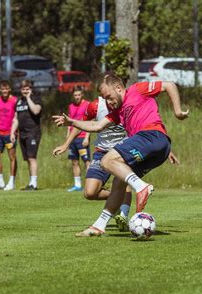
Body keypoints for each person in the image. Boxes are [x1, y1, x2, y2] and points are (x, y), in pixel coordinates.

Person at [53, 75, 188, 236]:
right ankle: (99, 226)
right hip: (156, 148)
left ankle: (141, 187)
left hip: (151, 135)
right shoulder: (118, 112)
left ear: (118, 88)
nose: (108, 102)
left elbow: (169, 85)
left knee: (107, 160)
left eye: (109, 97)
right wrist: (73, 122)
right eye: (104, 99)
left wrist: (178, 112)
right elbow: (96, 126)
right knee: (119, 180)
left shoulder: (137, 89)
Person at [53, 96, 132, 230]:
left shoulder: (128, 103)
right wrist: (66, 144)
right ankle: (118, 199)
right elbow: (80, 125)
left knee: (123, 182)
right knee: (89, 193)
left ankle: (123, 216)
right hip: (102, 152)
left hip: (123, 151)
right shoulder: (95, 106)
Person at [0, 81, 18, 191]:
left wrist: (14, 132)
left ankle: (11, 182)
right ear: (0, 90)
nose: (4, 91)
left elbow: (16, 117)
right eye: (2, 89)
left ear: (9, 89)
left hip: (10, 133)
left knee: (12, 157)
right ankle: (0, 181)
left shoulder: (15, 100)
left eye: (6, 89)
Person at [15, 80, 42, 190]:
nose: (25, 91)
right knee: (27, 159)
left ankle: (34, 184)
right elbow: (16, 119)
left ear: (31, 90)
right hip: (22, 133)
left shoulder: (36, 99)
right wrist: (13, 132)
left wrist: (28, 98)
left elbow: (36, 111)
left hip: (33, 133)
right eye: (23, 89)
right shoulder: (18, 101)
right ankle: (31, 182)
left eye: (27, 89)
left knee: (32, 158)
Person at [64, 86, 90, 192]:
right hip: (72, 138)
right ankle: (77, 185)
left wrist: (87, 137)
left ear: (82, 95)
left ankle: (89, 184)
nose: (77, 97)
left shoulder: (87, 104)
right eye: (75, 95)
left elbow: (89, 121)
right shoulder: (71, 106)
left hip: (82, 137)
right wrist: (67, 136)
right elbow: (69, 121)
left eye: (79, 95)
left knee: (87, 161)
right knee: (74, 161)